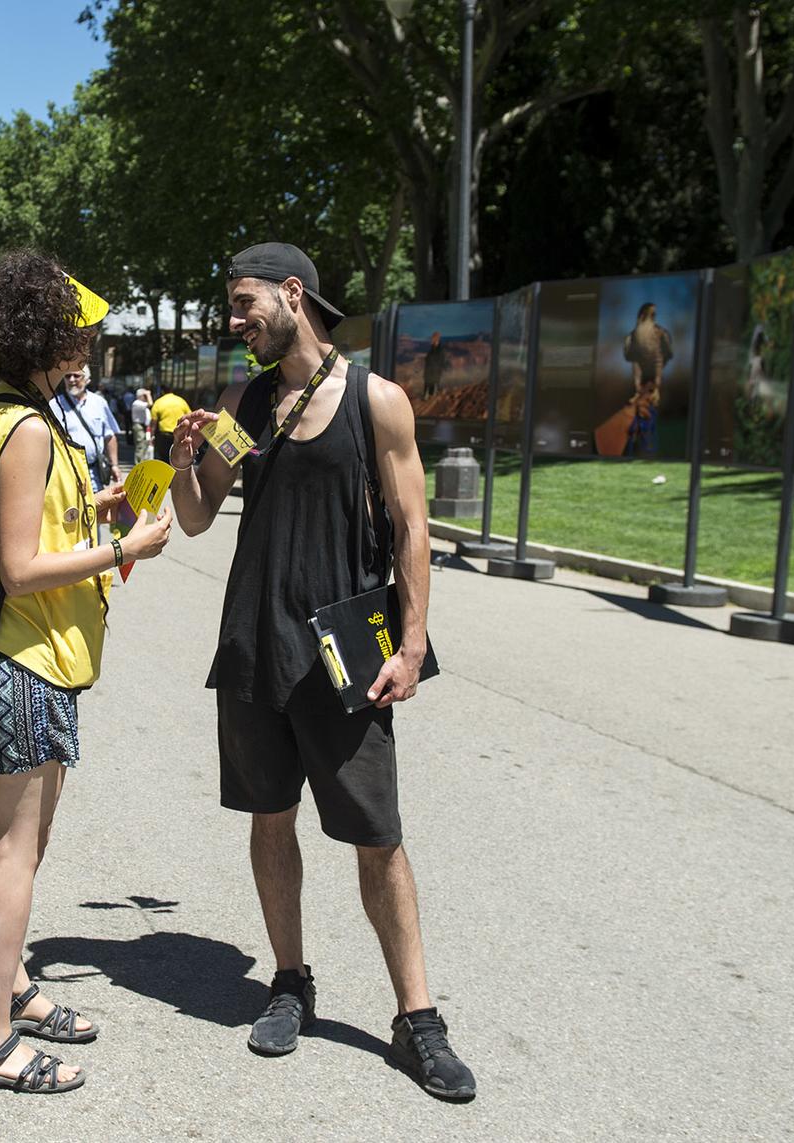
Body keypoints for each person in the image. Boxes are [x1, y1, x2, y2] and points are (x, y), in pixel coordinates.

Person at [167, 242, 474, 1102]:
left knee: (377, 837)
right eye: (229, 308)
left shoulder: (375, 401)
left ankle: (418, 1018)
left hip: (346, 654)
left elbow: (414, 527)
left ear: (292, 295)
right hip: (254, 645)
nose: (233, 322)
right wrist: (191, 456)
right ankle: (290, 980)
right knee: (271, 821)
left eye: (243, 304)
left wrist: (412, 642)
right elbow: (194, 518)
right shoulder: (243, 400)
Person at [0, 249, 172, 1095]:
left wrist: (105, 506)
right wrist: (124, 546)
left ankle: (6, 990)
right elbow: (19, 565)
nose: (86, 342)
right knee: (18, 848)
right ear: (43, 335)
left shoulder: (3, 415)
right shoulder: (31, 426)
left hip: (1, 653)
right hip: (23, 657)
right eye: (77, 331)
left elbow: (30, 528)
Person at [52, 367, 121, 490]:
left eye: (76, 376)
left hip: (94, 473)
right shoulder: (54, 405)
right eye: (68, 376)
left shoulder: (99, 402)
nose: (72, 380)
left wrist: (114, 465)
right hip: (66, 473)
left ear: (87, 379)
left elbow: (109, 436)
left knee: (96, 508)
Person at [150, 383, 190, 464]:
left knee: (163, 459)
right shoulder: (181, 401)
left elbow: (154, 422)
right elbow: (189, 416)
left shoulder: (158, 402)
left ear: (162, 392)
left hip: (163, 436)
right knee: (176, 458)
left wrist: (152, 436)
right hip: (179, 434)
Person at [130, 387, 154, 464]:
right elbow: (150, 404)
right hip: (139, 426)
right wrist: (148, 394)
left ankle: (142, 461)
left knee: (145, 444)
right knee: (140, 445)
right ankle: (138, 463)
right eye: (145, 396)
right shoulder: (137, 403)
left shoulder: (141, 403)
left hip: (144, 426)